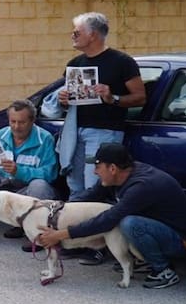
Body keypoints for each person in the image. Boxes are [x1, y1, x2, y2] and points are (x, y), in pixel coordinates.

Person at [37, 144, 186, 289]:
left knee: (129, 223)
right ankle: (146, 259)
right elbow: (90, 195)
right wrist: (59, 209)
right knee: (127, 221)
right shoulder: (120, 175)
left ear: (112, 168)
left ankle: (163, 270)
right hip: (159, 230)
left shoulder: (141, 186)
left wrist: (60, 234)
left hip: (180, 241)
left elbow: (107, 220)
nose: (95, 172)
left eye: (97, 167)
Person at [57, 12, 145, 193]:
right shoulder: (74, 64)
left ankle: (96, 211)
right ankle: (78, 211)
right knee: (74, 183)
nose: (72, 36)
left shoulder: (122, 62)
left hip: (104, 131)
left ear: (93, 35)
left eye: (77, 32)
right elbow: (67, 102)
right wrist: (63, 100)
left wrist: (113, 98)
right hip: (75, 131)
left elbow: (140, 97)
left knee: (95, 184)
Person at [0, 99, 59, 238]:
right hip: (8, 189)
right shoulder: (1, 134)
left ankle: (36, 230)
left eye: (22, 122)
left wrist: (19, 171)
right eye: (13, 121)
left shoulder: (45, 138)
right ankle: (18, 223)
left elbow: (50, 173)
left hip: (29, 191)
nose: (16, 127)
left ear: (32, 121)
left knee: (39, 186)